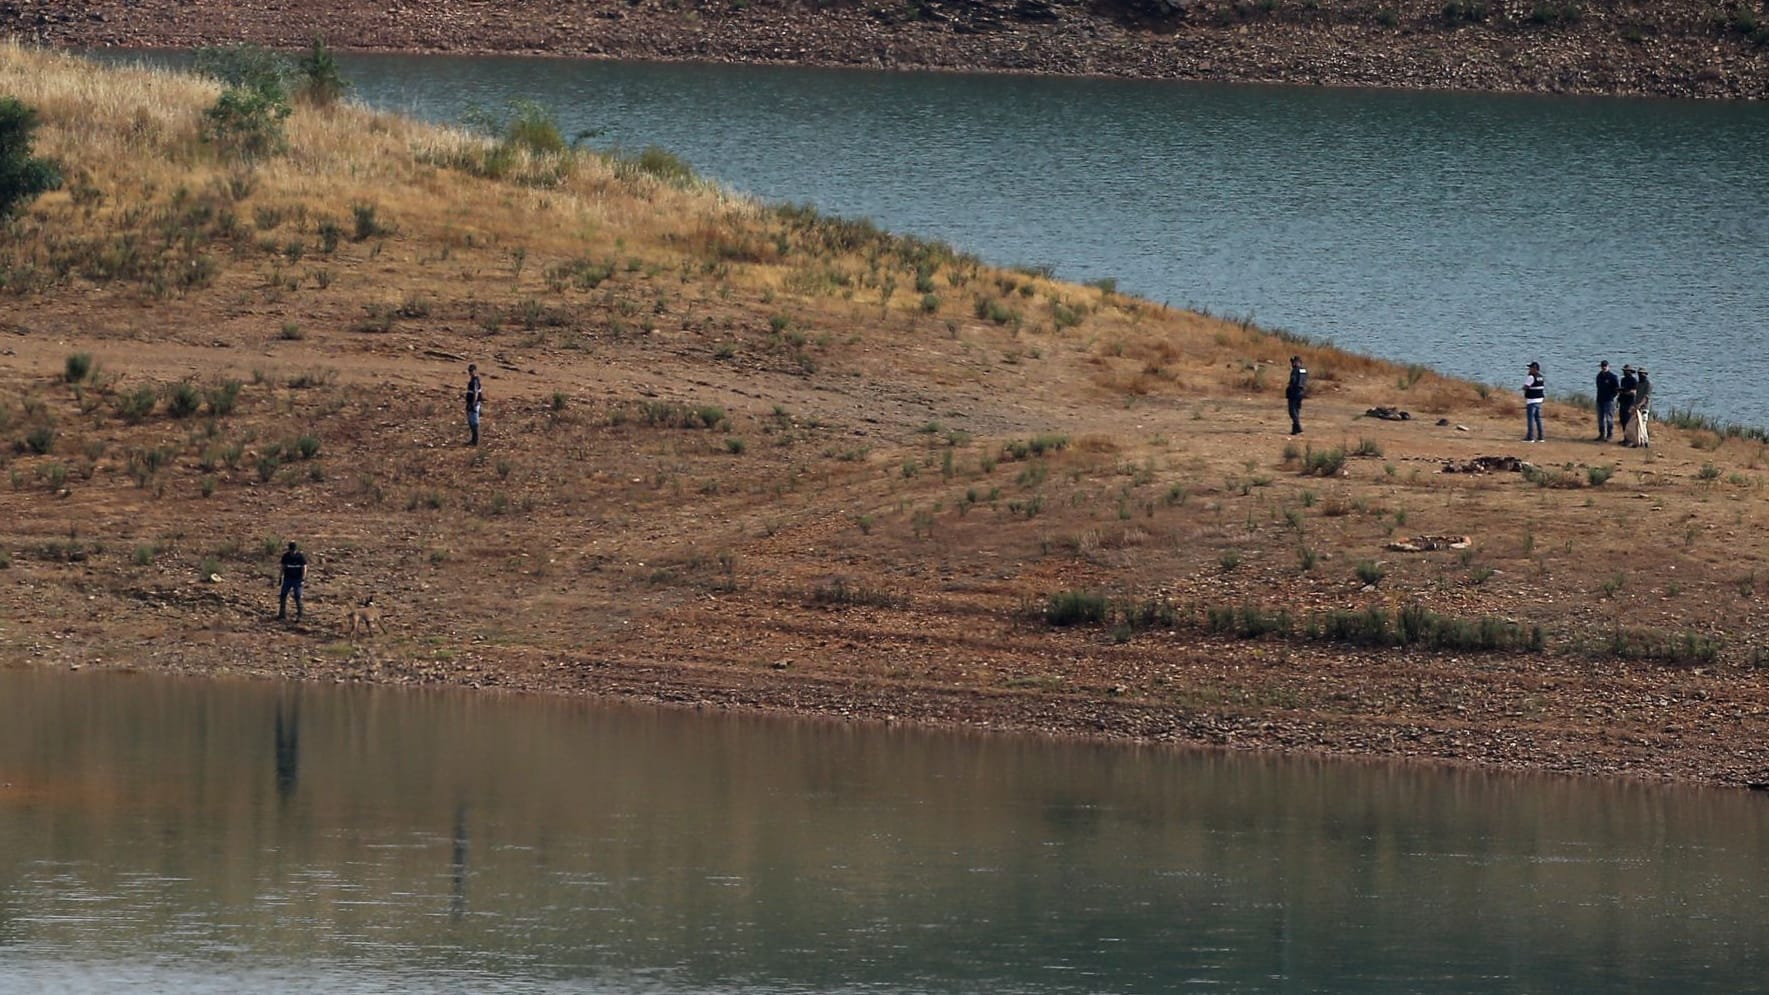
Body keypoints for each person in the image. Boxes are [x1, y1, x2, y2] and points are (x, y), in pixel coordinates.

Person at [277, 541, 307, 621]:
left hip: (297, 579)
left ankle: (300, 615)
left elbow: (304, 568)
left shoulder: (300, 557)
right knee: (283, 595)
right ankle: (282, 614)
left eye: (293, 551)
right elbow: (282, 567)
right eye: (291, 551)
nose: (292, 552)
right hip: (288, 578)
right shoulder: (286, 556)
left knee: (297, 596)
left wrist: (303, 579)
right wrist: (280, 577)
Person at [1627, 368, 1653, 447]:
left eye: (1642, 373)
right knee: (1636, 425)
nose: (1640, 375)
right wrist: (1633, 406)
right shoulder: (1638, 384)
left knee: (1643, 425)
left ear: (1645, 374)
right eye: (1639, 373)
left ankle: (1645, 441)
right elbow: (1637, 396)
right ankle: (1638, 441)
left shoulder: (1648, 384)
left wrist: (1640, 405)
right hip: (1637, 408)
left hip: (1644, 408)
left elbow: (1646, 397)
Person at [1594, 360, 1619, 441]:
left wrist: (1612, 396)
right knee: (1600, 418)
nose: (1604, 367)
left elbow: (1616, 389)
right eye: (1602, 366)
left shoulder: (1612, 377)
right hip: (1600, 399)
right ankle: (1601, 434)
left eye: (1605, 366)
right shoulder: (1599, 376)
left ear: (1608, 366)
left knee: (1609, 418)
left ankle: (1609, 435)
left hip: (1609, 400)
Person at [1522, 361, 1546, 442]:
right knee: (1538, 419)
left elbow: (1525, 387)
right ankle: (1541, 437)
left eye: (1531, 368)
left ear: (1535, 369)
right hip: (1539, 400)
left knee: (1531, 419)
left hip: (1531, 401)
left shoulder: (1531, 377)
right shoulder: (1541, 377)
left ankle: (1530, 437)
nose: (1529, 369)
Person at [1285, 355, 1308, 435]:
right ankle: (1295, 430)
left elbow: (1293, 380)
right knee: (1297, 410)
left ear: (1296, 362)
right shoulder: (1304, 370)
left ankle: (1298, 426)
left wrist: (1290, 387)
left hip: (1294, 392)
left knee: (1292, 411)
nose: (1292, 364)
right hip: (1301, 392)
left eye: (1293, 362)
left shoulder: (1295, 370)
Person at [1617, 365, 1639, 443]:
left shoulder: (1634, 380)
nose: (1625, 372)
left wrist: (1625, 392)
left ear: (1630, 371)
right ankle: (1625, 438)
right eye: (1624, 370)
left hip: (1629, 403)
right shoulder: (1623, 380)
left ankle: (1629, 440)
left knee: (1628, 422)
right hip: (1622, 402)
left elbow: (1634, 392)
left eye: (1626, 371)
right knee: (1623, 421)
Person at [465, 363, 484, 446]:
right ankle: (473, 439)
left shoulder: (475, 380)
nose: (470, 372)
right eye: (469, 370)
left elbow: (475, 392)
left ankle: (475, 441)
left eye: (471, 370)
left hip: (474, 404)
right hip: (471, 403)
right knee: (470, 421)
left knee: (474, 422)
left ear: (475, 371)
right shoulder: (472, 380)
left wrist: (473, 403)